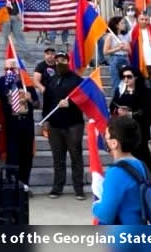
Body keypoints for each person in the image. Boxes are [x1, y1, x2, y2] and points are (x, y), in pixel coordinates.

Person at [42, 52, 85, 200]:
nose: (60, 63)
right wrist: (45, 121)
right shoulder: (52, 80)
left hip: (73, 124)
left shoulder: (77, 80)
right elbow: (46, 102)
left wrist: (71, 103)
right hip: (54, 125)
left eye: (63, 60)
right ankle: (57, 188)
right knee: (58, 158)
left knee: (76, 157)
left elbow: (84, 99)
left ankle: (79, 189)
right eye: (57, 60)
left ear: (68, 61)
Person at [92, 116, 147, 225]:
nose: (104, 138)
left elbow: (105, 215)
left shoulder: (116, 172)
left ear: (114, 143)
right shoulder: (140, 164)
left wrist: (95, 206)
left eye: (106, 135)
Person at [0, 59, 39, 187]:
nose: (9, 71)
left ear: (18, 69)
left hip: (26, 123)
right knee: (12, 155)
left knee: (26, 156)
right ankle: (12, 185)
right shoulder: (2, 81)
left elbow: (37, 105)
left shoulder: (27, 82)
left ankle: (24, 185)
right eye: (6, 69)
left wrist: (30, 99)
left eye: (11, 69)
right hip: (11, 123)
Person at [110, 66, 151, 174]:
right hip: (123, 131)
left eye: (129, 77)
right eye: (123, 77)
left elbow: (149, 111)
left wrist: (131, 114)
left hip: (140, 131)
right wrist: (118, 111)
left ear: (136, 77)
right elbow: (112, 107)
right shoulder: (119, 91)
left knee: (143, 158)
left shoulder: (145, 92)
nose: (126, 79)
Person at [131, 13, 151, 79]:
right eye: (142, 19)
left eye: (146, 19)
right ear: (137, 20)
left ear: (149, 20)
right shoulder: (133, 31)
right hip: (140, 64)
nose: (144, 21)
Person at [104, 17, 131, 94]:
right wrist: (117, 48)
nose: (124, 25)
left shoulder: (126, 36)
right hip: (115, 59)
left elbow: (129, 51)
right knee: (116, 82)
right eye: (122, 23)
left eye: (124, 23)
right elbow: (105, 52)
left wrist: (126, 48)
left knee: (126, 82)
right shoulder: (110, 36)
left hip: (125, 59)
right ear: (117, 25)